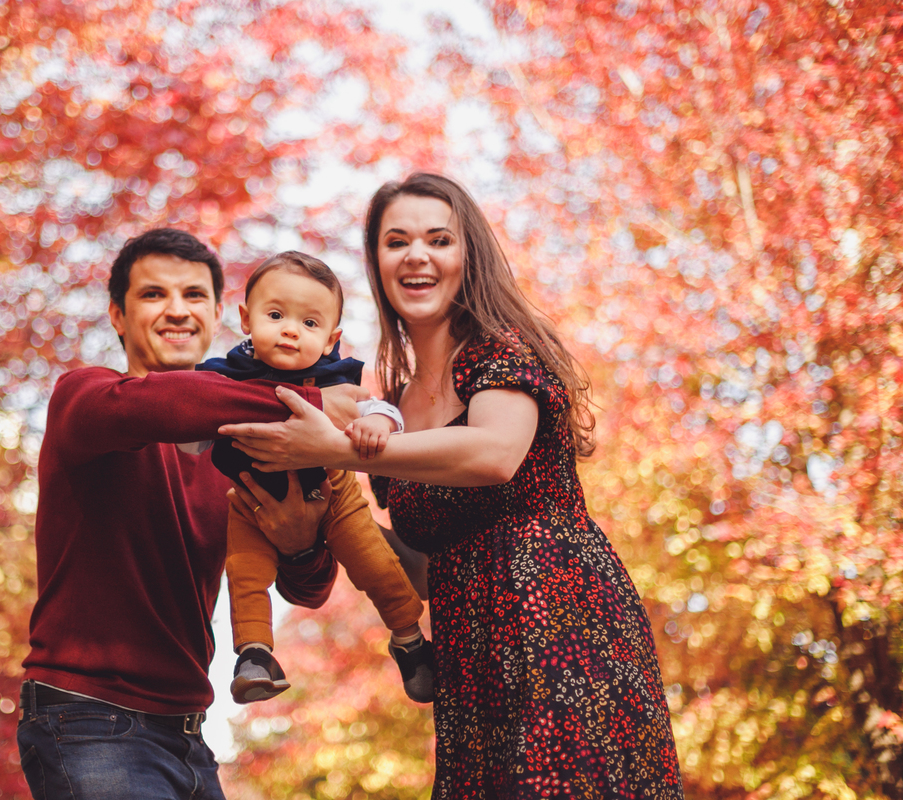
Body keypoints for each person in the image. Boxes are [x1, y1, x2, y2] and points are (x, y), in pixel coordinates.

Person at [219, 174, 686, 798]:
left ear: (469, 257)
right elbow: (410, 557)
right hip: (469, 659)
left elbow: (495, 454)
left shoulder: (498, 351)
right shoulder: (393, 407)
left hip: (561, 631)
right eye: (397, 241)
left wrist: (335, 449)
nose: (417, 254)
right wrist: (305, 536)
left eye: (439, 239)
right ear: (378, 262)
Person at [16, 228, 360, 800]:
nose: (177, 310)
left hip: (189, 734)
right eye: (153, 295)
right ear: (118, 317)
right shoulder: (85, 399)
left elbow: (311, 589)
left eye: (195, 295)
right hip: (88, 719)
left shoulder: (245, 447)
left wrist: (300, 544)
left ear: (224, 314)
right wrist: (315, 402)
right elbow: (165, 401)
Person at [186, 250, 434, 705]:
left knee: (375, 563)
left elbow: (378, 408)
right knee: (244, 574)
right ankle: (254, 655)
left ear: (330, 339)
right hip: (248, 497)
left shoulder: (332, 378)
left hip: (333, 492)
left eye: (310, 324)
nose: (289, 329)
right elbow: (188, 425)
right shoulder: (224, 376)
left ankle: (409, 639)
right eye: (275, 314)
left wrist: (376, 425)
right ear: (245, 318)